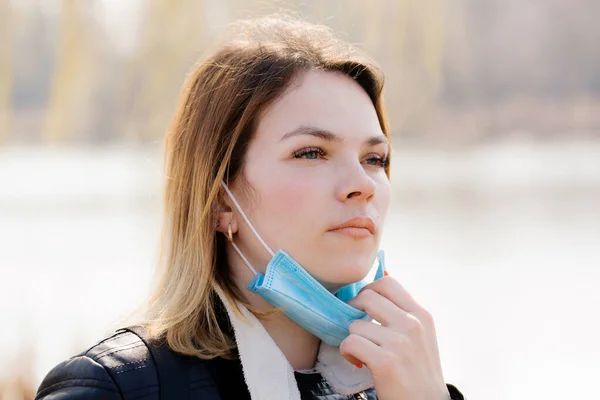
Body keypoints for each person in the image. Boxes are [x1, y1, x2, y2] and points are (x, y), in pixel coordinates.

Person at [35, 15, 464, 400]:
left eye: (374, 159)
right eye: (311, 152)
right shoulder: (115, 390)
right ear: (221, 199)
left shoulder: (400, 383)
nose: (362, 186)